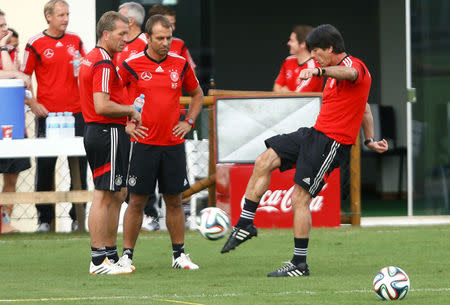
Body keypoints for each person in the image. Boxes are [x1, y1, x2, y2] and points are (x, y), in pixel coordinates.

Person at [221, 24, 389, 277]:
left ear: (330, 49)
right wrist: (370, 140)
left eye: (316, 52)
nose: (313, 57)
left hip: (332, 142)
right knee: (264, 160)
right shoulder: (332, 73)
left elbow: (350, 73)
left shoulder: (355, 67)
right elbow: (364, 109)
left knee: (299, 198)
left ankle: (299, 264)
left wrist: (318, 71)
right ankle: (245, 224)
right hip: (314, 134)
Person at [117, 14, 203, 270]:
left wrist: (189, 121)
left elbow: (197, 94)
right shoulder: (131, 65)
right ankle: (126, 256)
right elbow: (113, 93)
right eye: (160, 38)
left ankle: (179, 256)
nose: (166, 43)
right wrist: (127, 123)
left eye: (169, 38)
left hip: (173, 144)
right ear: (147, 37)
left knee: (175, 200)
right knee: (136, 201)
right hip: (144, 144)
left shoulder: (180, 63)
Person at [79, 11, 144, 275]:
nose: (125, 40)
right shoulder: (104, 62)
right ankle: (98, 260)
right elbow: (101, 104)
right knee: (104, 194)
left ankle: (108, 254)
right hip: (107, 133)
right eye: (120, 34)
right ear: (106, 34)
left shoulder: (92, 58)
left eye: (127, 34)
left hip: (101, 131)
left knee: (115, 193)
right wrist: (131, 110)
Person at [21, 0, 88, 233]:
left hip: (77, 112)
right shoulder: (35, 43)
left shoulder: (76, 40)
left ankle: (78, 217)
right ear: (48, 17)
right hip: (48, 114)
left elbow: (86, 71)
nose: (66, 19)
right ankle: (44, 219)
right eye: (61, 15)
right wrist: (33, 103)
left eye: (67, 14)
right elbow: (23, 79)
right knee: (46, 165)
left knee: (78, 165)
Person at [0, 10, 31, 234]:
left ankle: (5, 222)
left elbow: (11, 73)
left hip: (12, 122)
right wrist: (14, 75)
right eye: (0, 26)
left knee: (12, 176)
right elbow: (11, 76)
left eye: (5, 25)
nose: (5, 30)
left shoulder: (8, 52)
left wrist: (3, 49)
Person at [273, 25, 323, 93]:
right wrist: (289, 93)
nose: (288, 43)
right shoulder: (289, 60)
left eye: (292, 41)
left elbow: (299, 98)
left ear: (303, 44)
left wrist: (284, 91)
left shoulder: (314, 68)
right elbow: (276, 88)